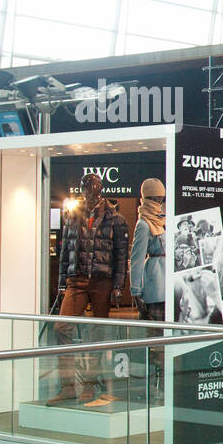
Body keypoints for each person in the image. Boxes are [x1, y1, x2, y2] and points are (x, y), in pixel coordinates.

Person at [49, 172, 129, 405]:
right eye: (85, 187)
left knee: (97, 335)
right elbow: (65, 251)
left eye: (92, 187)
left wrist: (117, 287)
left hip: (101, 280)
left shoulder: (116, 219)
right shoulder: (73, 216)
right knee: (61, 327)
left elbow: (120, 256)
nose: (88, 191)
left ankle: (90, 385)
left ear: (100, 189)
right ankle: (67, 386)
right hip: (77, 279)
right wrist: (62, 283)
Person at [130, 178, 166, 321]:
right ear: (147, 198)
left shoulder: (162, 220)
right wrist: (136, 291)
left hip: (168, 282)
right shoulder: (143, 224)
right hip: (155, 283)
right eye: (155, 198)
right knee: (155, 331)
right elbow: (136, 260)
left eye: (161, 198)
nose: (159, 201)